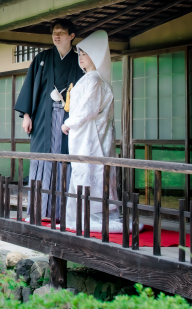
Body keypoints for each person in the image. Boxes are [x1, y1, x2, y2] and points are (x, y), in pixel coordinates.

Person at [14, 19, 85, 220]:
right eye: (55, 32)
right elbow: (30, 86)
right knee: (41, 159)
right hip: (43, 116)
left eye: (62, 32)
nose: (57, 36)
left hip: (69, 118)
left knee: (66, 159)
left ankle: (64, 213)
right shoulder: (42, 58)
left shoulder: (79, 59)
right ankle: (39, 210)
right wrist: (27, 115)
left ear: (71, 36)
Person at [62, 30, 123, 233]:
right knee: (88, 174)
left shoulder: (95, 79)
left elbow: (87, 109)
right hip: (89, 134)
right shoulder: (91, 78)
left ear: (95, 56)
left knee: (91, 174)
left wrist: (68, 123)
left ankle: (92, 216)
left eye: (84, 54)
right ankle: (87, 215)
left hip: (92, 136)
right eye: (79, 54)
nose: (80, 58)